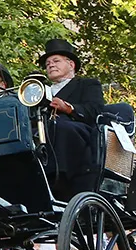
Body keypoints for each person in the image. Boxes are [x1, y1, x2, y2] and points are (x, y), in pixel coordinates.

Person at [36, 39, 104, 198]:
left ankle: (59, 176)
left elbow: (95, 110)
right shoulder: (38, 90)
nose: (50, 65)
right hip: (43, 134)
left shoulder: (87, 85)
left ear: (71, 64)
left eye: (56, 61)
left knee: (60, 127)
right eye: (47, 64)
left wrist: (68, 108)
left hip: (78, 134)